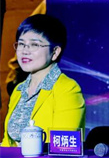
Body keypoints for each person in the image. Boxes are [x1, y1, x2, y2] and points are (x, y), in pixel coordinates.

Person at [2, 14, 86, 146]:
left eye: (34, 44)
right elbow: (8, 144)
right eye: (21, 44)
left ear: (55, 52)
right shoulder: (19, 90)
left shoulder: (68, 89)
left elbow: (62, 147)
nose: (25, 51)